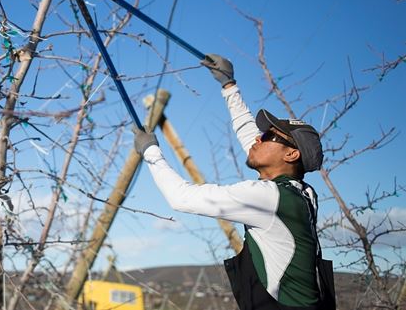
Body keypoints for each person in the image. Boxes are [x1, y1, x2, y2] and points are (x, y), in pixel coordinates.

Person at [133, 54, 335, 310]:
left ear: (291, 154)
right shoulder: (304, 194)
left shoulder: (268, 197)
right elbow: (250, 137)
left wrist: (151, 152)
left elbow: (181, 198)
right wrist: (229, 86)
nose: (259, 138)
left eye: (269, 136)